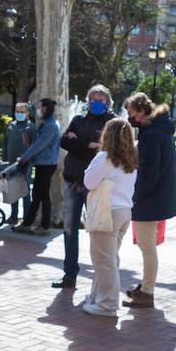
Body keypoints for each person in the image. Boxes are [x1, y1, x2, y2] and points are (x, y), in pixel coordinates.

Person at [51, 85, 115, 288]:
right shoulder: (79, 120)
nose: (97, 102)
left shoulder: (111, 123)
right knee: (69, 229)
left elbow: (107, 151)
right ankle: (69, 275)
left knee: (97, 231)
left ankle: (100, 278)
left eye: (101, 99)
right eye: (93, 99)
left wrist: (80, 143)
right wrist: (90, 145)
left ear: (108, 102)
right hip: (72, 181)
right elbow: (64, 141)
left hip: (96, 186)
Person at [123, 92, 176, 309]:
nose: (130, 118)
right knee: (148, 246)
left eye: (131, 113)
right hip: (156, 199)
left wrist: (134, 197)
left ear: (141, 111)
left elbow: (149, 174)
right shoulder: (158, 130)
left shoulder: (153, 134)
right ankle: (145, 287)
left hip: (150, 200)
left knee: (147, 247)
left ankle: (147, 292)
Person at [80, 118, 139, 316]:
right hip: (124, 212)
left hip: (107, 212)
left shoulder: (104, 158)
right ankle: (98, 297)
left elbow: (88, 182)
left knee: (103, 260)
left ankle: (108, 304)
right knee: (110, 258)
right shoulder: (131, 158)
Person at [13, 98, 61, 236]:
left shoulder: (51, 126)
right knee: (38, 195)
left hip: (46, 164)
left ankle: (44, 226)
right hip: (43, 163)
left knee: (43, 196)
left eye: (40, 107)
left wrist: (24, 157)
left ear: (45, 108)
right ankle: (27, 223)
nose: (38, 110)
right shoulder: (48, 123)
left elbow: (39, 145)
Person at [2, 102, 36, 226]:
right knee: (12, 191)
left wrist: (30, 160)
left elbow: (35, 146)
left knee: (25, 191)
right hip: (10, 164)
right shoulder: (11, 126)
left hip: (25, 164)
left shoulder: (31, 127)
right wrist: (4, 160)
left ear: (27, 113)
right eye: (17, 111)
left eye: (22, 112)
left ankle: (27, 217)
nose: (19, 114)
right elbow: (5, 144)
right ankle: (13, 216)